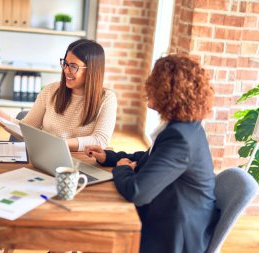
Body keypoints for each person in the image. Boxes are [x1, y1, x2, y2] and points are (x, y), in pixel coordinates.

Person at [85, 54, 220, 253]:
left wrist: (122, 169)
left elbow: (137, 192)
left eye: (154, 84)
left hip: (175, 237)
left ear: (168, 92)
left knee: (96, 228)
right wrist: (110, 157)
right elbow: (151, 158)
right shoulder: (184, 127)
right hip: (171, 217)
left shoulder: (180, 138)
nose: (148, 88)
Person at [0, 39, 117, 151]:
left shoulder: (107, 99)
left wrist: (58, 143)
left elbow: (100, 140)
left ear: (92, 70)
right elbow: (26, 130)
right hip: (46, 156)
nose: (66, 70)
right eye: (65, 63)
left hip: (82, 162)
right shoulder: (50, 91)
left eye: (73, 66)